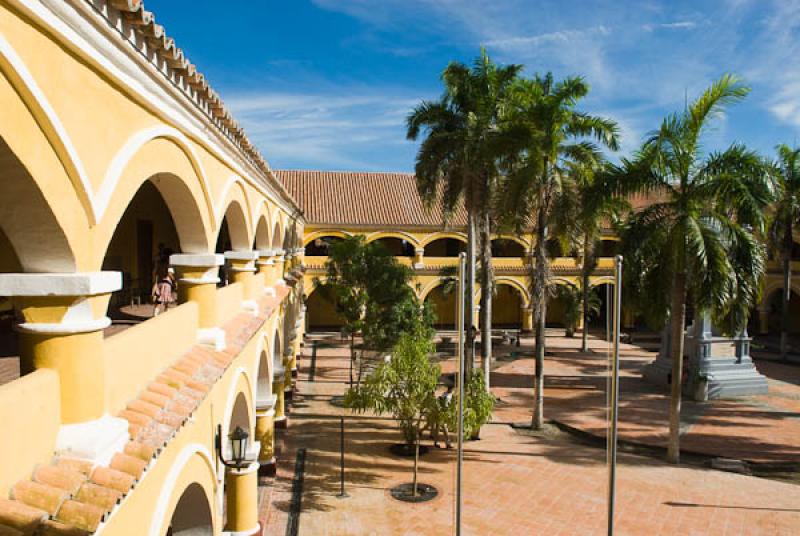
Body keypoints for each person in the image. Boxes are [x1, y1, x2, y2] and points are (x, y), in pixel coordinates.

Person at [432, 384, 454, 449]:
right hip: (443, 413)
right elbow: (446, 405)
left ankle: (436, 442)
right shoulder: (448, 396)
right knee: (444, 428)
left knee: (438, 428)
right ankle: (448, 443)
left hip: (440, 413)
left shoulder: (444, 394)